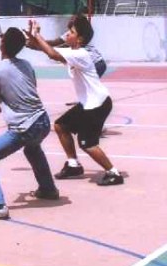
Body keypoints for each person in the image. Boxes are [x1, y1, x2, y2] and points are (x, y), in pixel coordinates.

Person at [0, 27, 59, 220]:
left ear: (2, 45)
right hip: (42, 121)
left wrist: (5, 106)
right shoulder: (26, 65)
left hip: (24, 126)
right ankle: (48, 188)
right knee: (32, 149)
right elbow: (30, 88)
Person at [25, 18, 124, 186]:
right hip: (89, 103)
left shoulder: (80, 54)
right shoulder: (73, 51)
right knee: (61, 126)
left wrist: (37, 35)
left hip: (97, 104)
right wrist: (33, 38)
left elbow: (51, 53)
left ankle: (113, 173)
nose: (67, 35)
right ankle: (73, 165)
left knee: (87, 143)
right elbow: (46, 49)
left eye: (71, 33)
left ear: (80, 39)